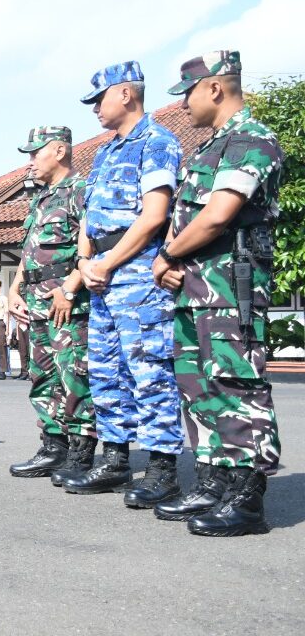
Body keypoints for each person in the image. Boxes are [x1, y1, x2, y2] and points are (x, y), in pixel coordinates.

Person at [152, 51, 283, 536]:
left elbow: (217, 215)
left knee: (235, 383)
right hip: (193, 288)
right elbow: (185, 221)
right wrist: (171, 262)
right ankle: (214, 481)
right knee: (196, 385)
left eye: (187, 92)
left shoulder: (252, 141)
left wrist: (165, 258)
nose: (183, 104)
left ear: (214, 88)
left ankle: (247, 499)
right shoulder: (210, 148)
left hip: (230, 286)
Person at [67, 61, 184, 500]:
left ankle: (161, 469)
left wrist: (108, 262)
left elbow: (155, 216)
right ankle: (115, 460)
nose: (95, 107)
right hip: (101, 273)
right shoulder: (105, 150)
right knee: (106, 370)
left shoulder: (157, 142)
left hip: (136, 275)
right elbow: (88, 218)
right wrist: (85, 262)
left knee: (148, 370)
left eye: (100, 98)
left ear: (126, 94)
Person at [5, 126, 96, 482]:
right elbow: (29, 254)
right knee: (42, 376)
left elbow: (91, 248)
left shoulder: (80, 191)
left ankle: (81, 452)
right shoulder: (40, 198)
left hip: (65, 304)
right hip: (36, 302)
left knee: (73, 376)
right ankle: (52, 446)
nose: (30, 161)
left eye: (34, 152)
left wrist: (71, 288)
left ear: (59, 151)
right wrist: (13, 290)